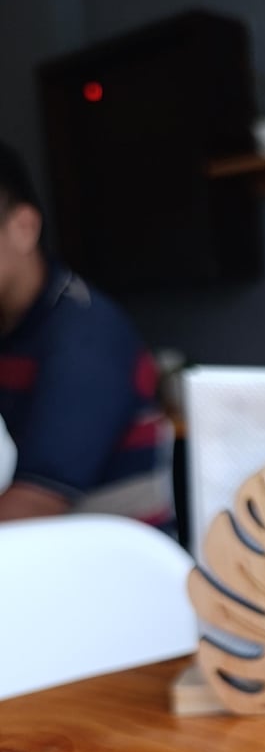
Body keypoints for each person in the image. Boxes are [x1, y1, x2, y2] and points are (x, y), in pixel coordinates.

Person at [0, 141, 172, 524]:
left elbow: (37, 502)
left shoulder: (85, 335)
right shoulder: (14, 325)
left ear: (24, 228)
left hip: (115, 556)